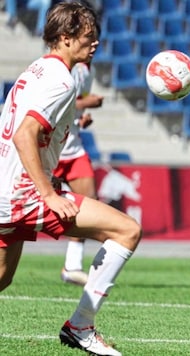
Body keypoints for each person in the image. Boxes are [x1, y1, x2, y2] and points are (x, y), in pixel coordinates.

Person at [0, 2, 141, 356]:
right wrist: (48, 194)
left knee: (2, 278)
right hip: (23, 194)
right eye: (88, 37)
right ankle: (81, 326)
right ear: (64, 38)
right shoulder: (62, 80)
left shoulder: (36, 69)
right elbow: (24, 134)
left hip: (6, 189)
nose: (95, 44)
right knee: (127, 230)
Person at [55, 59, 105, 287]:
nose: (94, 43)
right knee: (20, 207)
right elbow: (59, 102)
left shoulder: (88, 70)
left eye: (97, 37)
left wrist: (82, 116)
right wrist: (88, 102)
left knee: (87, 204)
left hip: (74, 149)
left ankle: (72, 266)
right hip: (51, 149)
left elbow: (75, 109)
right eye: (90, 35)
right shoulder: (63, 66)